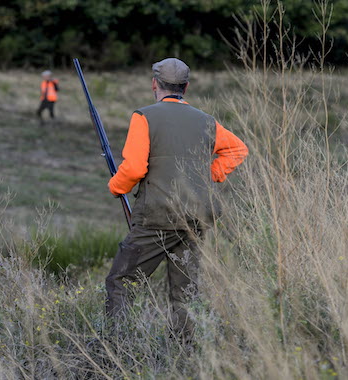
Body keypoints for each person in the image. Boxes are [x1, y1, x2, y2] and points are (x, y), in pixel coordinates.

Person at [105, 58, 248, 343]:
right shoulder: (206, 120)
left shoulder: (144, 117)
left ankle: (113, 350)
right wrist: (206, 177)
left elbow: (134, 169)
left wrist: (115, 186)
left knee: (120, 281)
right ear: (186, 86)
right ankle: (182, 352)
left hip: (157, 216)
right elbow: (237, 149)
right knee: (184, 291)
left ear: (155, 84)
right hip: (196, 215)